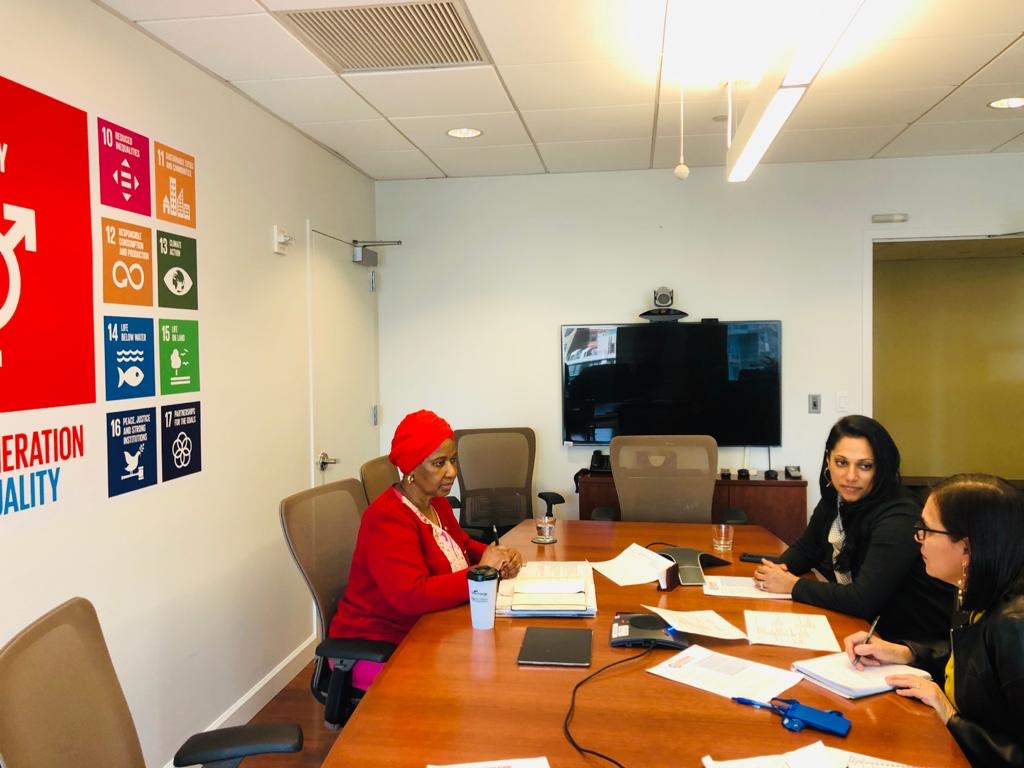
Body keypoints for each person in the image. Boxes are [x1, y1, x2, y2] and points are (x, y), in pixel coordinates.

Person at [329, 410, 524, 687]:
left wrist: (498, 557)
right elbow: (412, 594)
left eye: (453, 460)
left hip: (425, 628)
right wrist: (482, 571)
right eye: (439, 463)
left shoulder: (436, 501)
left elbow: (462, 545)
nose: (452, 472)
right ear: (411, 469)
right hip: (378, 644)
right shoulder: (386, 518)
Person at [844, 474, 1024, 767]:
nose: (918, 539)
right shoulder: (971, 585)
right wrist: (906, 652)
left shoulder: (1015, 625)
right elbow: (975, 666)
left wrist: (950, 716)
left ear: (965, 548)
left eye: (926, 530)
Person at [754, 415, 952, 642]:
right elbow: (806, 550)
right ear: (828, 460)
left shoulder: (899, 515)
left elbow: (863, 599)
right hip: (862, 631)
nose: (850, 476)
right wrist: (772, 571)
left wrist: (793, 585)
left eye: (864, 466)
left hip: (908, 644)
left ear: (881, 468)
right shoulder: (835, 499)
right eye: (841, 462)